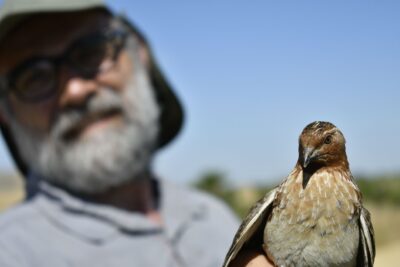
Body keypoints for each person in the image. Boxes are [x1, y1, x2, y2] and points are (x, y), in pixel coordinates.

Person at [0, 1, 239, 266]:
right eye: (34, 78)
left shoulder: (213, 216)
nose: (75, 91)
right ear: (5, 114)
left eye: (91, 52)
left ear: (140, 54)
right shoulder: (12, 253)